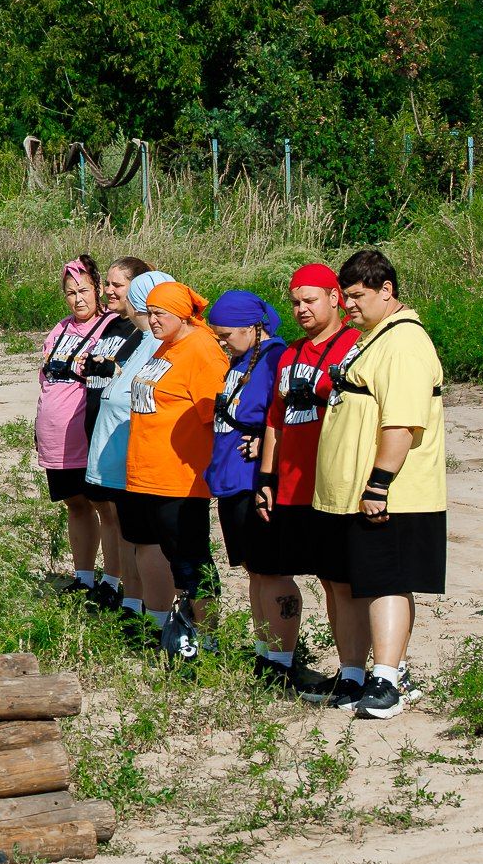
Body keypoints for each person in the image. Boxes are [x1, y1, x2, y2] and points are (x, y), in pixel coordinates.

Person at [312, 249, 447, 720]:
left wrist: (379, 484)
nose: (347, 305)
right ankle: (352, 675)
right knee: (346, 583)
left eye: (356, 296)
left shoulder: (405, 342)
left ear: (386, 290)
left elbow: (402, 423)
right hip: (342, 494)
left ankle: (388, 679)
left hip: (389, 494)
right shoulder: (372, 336)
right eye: (344, 296)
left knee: (386, 582)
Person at [255, 263, 364, 705]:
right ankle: (344, 668)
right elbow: (275, 421)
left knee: (343, 581)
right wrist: (267, 477)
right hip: (293, 485)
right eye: (295, 302)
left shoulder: (355, 345)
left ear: (335, 298)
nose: (301, 309)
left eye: (310, 300)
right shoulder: (290, 354)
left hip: (335, 483)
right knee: (324, 579)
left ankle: (355, 673)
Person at [205, 289, 315, 695]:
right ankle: (264, 652)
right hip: (230, 479)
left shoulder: (274, 358)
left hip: (256, 482)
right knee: (255, 571)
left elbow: (285, 416)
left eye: (227, 335)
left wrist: (267, 445)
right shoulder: (242, 357)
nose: (222, 342)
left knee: (273, 571)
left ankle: (283, 661)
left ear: (253, 327)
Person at [121, 279, 229, 661]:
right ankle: (185, 631)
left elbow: (216, 417)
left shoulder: (201, 349)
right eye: (149, 313)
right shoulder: (166, 345)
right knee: (174, 558)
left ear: (182, 314)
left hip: (179, 477)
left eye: (160, 313)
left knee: (191, 560)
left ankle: (208, 638)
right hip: (149, 473)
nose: (152, 320)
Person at [35, 256, 126, 595]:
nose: (78, 299)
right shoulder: (59, 329)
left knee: (106, 508)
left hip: (90, 435)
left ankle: (112, 582)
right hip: (56, 435)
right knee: (75, 504)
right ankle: (84, 577)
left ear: (98, 289)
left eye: (84, 291)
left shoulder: (111, 327)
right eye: (71, 293)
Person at [82, 264, 162, 628]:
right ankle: (131, 601)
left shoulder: (156, 342)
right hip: (117, 454)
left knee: (144, 539)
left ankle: (152, 612)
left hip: (138, 458)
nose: (111, 292)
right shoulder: (137, 338)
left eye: (120, 286)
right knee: (127, 532)